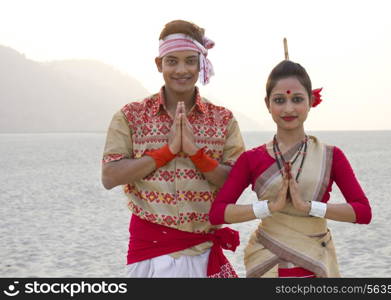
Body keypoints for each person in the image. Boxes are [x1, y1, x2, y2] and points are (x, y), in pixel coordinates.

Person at [101, 20, 245, 278]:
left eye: (190, 60)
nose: (182, 70)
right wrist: (165, 152)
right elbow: (110, 176)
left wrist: (196, 154)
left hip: (203, 254)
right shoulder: (131, 116)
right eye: (172, 61)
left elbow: (236, 182)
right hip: (150, 255)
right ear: (159, 64)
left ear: (201, 62)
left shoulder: (223, 120)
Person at [209, 59, 372, 278]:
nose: (288, 108)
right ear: (268, 104)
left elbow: (362, 212)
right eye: (279, 100)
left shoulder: (331, 156)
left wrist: (309, 207)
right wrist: (268, 207)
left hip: (315, 264)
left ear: (311, 101)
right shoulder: (251, 159)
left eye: (297, 99)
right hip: (267, 263)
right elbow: (217, 213)